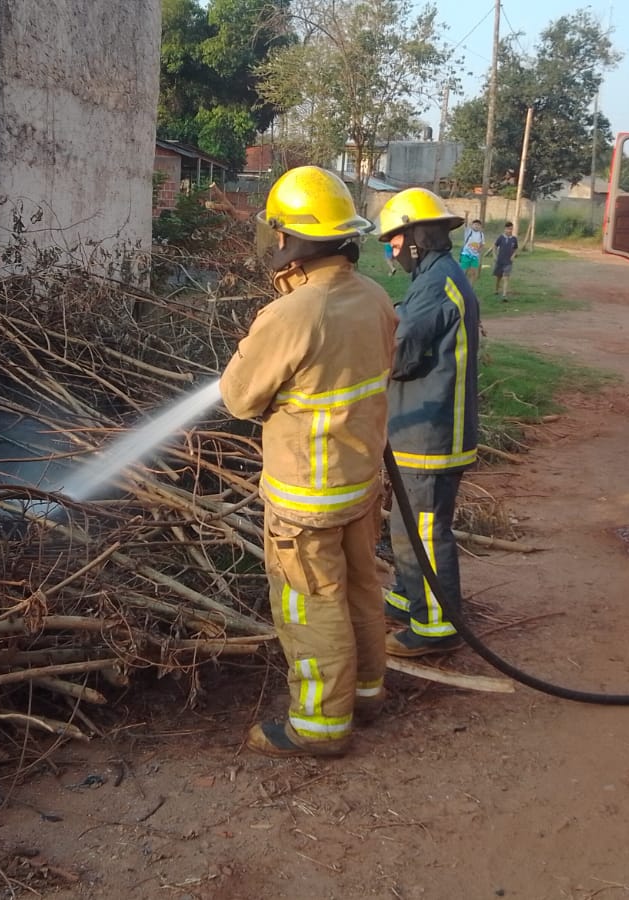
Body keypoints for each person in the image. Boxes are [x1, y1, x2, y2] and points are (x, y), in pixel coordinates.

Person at [220, 166, 399, 758]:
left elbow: (240, 397)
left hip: (306, 499)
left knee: (309, 604)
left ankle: (319, 726)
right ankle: (367, 696)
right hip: (359, 484)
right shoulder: (373, 298)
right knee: (360, 592)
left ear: (292, 241)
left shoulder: (296, 313)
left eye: (279, 233)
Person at [375, 187, 480, 658]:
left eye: (395, 241)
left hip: (432, 432)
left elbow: (398, 352)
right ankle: (408, 595)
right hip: (419, 428)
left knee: (424, 528)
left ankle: (437, 624)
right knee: (406, 523)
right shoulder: (434, 277)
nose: (392, 251)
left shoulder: (437, 282)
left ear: (416, 237)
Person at [484, 221, 519, 301]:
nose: (509, 231)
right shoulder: (501, 238)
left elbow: (516, 248)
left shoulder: (514, 239)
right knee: (498, 277)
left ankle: (504, 295)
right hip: (500, 261)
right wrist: (494, 255)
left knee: (506, 277)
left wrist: (513, 255)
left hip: (508, 262)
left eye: (511, 229)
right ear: (505, 229)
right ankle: (496, 290)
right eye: (508, 229)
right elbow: (494, 246)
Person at [459, 218, 485, 287]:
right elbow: (465, 224)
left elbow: (482, 244)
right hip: (466, 254)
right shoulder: (469, 231)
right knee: (464, 271)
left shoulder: (481, 234)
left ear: (480, 226)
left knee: (473, 273)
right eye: (475, 224)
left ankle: (470, 287)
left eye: (478, 225)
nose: (477, 226)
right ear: (472, 225)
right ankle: (461, 286)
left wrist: (480, 249)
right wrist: (467, 215)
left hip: (475, 256)